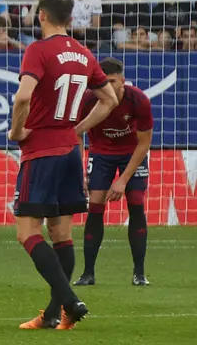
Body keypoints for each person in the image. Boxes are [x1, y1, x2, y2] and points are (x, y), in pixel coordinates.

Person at [8, 0, 118, 330]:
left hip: (41, 151)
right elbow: (110, 99)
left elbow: (24, 96)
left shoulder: (38, 50)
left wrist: (16, 132)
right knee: (61, 234)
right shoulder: (84, 54)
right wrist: (79, 128)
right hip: (71, 150)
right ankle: (56, 313)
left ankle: (70, 301)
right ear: (70, 19)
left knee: (27, 232)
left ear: (41, 15)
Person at [74, 57, 153, 287]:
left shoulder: (138, 100)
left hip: (131, 153)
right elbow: (76, 133)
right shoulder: (88, 100)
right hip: (101, 154)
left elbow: (144, 144)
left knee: (136, 203)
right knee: (95, 204)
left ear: (123, 81)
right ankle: (88, 273)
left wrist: (122, 181)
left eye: (112, 81)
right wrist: (80, 171)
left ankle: (139, 273)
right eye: (103, 82)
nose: (107, 86)